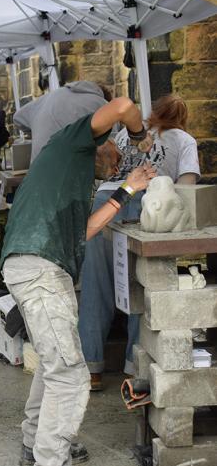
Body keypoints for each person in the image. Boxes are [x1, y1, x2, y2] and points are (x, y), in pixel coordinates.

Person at [0, 97, 157, 466]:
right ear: (103, 143)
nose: (116, 166)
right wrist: (139, 137)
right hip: (39, 268)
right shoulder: (73, 142)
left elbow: (82, 231)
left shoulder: (72, 175)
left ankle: (32, 440)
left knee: (55, 360)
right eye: (116, 158)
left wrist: (127, 189)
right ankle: (50, 459)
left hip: (35, 266)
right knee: (70, 375)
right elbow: (122, 105)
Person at [79, 94, 200, 391]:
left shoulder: (125, 135)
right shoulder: (184, 140)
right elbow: (186, 188)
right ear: (182, 118)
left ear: (152, 114)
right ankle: (135, 370)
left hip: (105, 202)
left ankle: (91, 369)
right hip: (144, 204)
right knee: (139, 287)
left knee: (96, 285)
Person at [13, 81, 110, 164]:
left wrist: (37, 130)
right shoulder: (102, 104)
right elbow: (112, 142)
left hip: (38, 169)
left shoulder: (51, 95)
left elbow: (18, 118)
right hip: (71, 170)